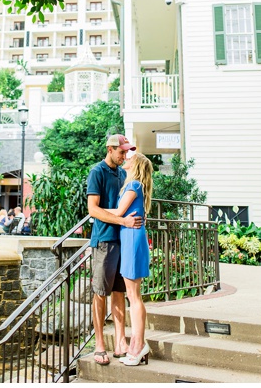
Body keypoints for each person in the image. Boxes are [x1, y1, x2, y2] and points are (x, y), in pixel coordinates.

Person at [87, 134, 144, 366]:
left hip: (123, 241)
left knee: (119, 292)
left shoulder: (123, 174)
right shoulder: (97, 172)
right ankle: (99, 344)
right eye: (121, 152)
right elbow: (93, 209)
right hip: (104, 240)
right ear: (110, 149)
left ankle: (121, 342)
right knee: (100, 292)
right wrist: (122, 222)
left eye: (126, 152)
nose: (125, 155)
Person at [105, 153, 153, 366]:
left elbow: (119, 211)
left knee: (134, 297)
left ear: (136, 165)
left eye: (130, 157)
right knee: (133, 296)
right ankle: (137, 343)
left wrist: (94, 211)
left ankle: (138, 345)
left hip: (132, 239)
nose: (126, 158)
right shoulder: (133, 185)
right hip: (129, 238)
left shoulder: (134, 184)